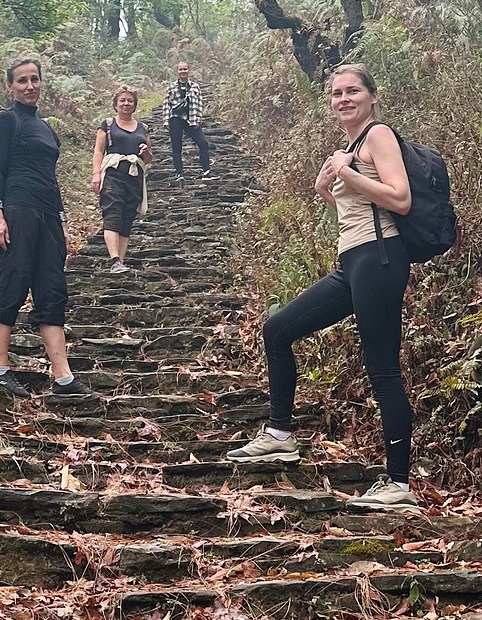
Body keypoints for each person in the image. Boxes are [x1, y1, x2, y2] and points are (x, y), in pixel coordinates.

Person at [225, 64, 419, 512]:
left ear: (372, 96)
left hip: (380, 258)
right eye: (336, 93)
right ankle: (279, 435)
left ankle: (398, 482)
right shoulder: (351, 146)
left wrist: (346, 174)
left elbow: (400, 198)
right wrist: (326, 188)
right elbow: (354, 205)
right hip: (352, 260)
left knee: (381, 366)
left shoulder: (379, 136)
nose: (344, 99)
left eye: (353, 90)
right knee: (277, 330)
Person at [0, 57, 98, 401]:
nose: (29, 86)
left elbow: (51, 179)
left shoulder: (46, 128)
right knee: (12, 280)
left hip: (47, 215)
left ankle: (62, 377)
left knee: (52, 287)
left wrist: (61, 220)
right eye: (21, 81)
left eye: (34, 79)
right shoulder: (6, 120)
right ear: (10, 87)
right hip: (17, 210)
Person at [91, 85, 153, 274]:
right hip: (113, 174)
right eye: (122, 101)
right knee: (112, 213)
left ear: (134, 105)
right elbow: (98, 151)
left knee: (127, 216)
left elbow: (149, 159)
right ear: (116, 104)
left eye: (130, 101)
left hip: (134, 176)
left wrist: (145, 153)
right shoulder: (108, 125)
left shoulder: (143, 128)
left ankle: (121, 262)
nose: (126, 104)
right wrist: (96, 175)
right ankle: (114, 259)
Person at [163, 61, 211, 182]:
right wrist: (166, 121)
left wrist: (199, 119)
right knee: (176, 146)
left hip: (192, 119)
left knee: (203, 143)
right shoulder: (171, 86)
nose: (183, 71)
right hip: (176, 118)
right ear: (177, 71)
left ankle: (206, 171)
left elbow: (199, 103)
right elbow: (166, 104)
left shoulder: (195, 86)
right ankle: (179, 173)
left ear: (188, 70)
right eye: (180, 69)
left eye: (185, 69)